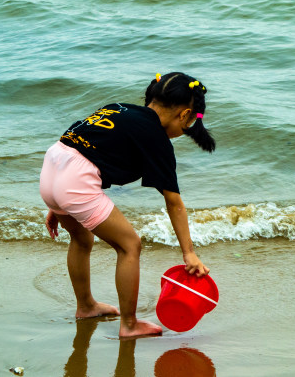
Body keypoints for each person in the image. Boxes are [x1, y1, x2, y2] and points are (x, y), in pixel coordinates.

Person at [40, 72, 215, 338]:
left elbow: (85, 147)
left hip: (52, 167)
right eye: (188, 124)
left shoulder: (117, 108)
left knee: (81, 239)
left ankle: (86, 306)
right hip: (73, 182)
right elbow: (174, 203)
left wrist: (57, 202)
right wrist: (188, 253)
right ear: (185, 114)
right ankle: (130, 324)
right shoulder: (156, 137)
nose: (184, 131)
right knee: (130, 245)